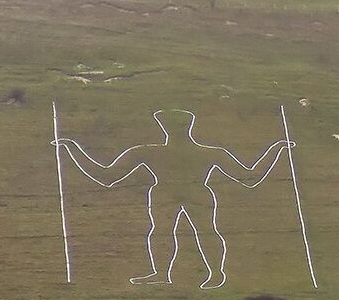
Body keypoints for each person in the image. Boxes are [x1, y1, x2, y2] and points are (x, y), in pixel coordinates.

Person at [56, 110, 295, 289]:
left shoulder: (199, 152)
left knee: (202, 231)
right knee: (163, 231)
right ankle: (163, 273)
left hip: (191, 193)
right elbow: (107, 177)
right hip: (167, 194)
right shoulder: (152, 152)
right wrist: (71, 147)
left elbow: (248, 177)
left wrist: (278, 148)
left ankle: (213, 273)